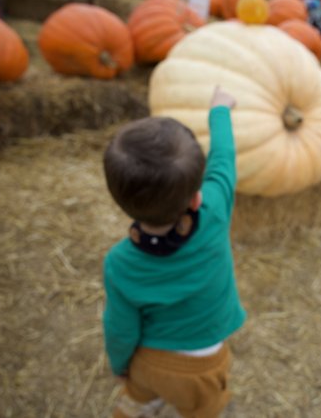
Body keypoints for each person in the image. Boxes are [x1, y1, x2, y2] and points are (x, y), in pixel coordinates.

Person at [102, 86, 247, 417]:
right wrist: (220, 110)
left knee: (138, 403)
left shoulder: (120, 263)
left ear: (122, 204)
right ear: (195, 198)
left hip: (148, 363)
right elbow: (224, 157)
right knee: (203, 410)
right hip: (202, 367)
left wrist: (120, 364)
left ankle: (140, 407)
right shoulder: (213, 209)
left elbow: (120, 326)